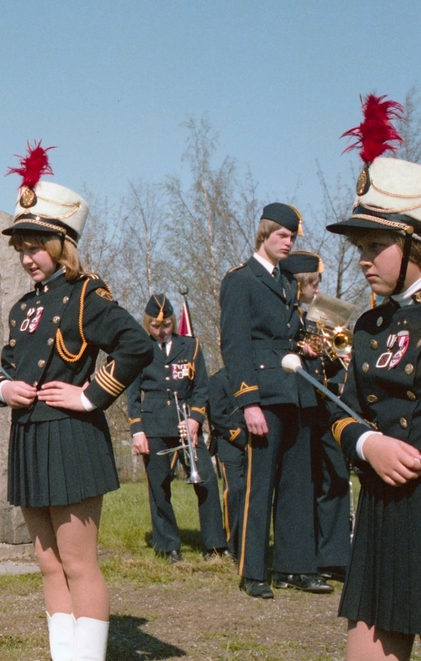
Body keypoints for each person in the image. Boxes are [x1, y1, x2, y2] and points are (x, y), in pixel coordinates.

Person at [0, 146, 152, 661]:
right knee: (46, 560)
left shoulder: (87, 294)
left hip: (71, 435)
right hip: (29, 435)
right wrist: (2, 388)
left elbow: (136, 345)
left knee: (79, 562)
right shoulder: (21, 307)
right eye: (21, 246)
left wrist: (90, 397)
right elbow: (10, 370)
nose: (27, 256)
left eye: (36, 244)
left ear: (64, 242)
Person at [319, 94, 421, 661]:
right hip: (388, 506)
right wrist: (368, 441)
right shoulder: (369, 327)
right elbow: (341, 408)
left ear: (413, 242)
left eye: (373, 245)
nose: (360, 260)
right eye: (357, 246)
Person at [220, 202, 331, 598]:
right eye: (283, 236)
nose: (289, 243)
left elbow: (290, 335)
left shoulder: (287, 282)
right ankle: (253, 572)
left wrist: (309, 346)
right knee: (259, 484)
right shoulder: (241, 280)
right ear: (264, 233)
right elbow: (235, 345)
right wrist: (248, 401)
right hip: (264, 395)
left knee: (297, 483)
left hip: (294, 390)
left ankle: (294, 566)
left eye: (293, 237)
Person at [126, 294, 227, 561]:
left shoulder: (191, 347)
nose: (162, 331)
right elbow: (133, 395)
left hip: (187, 425)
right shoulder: (139, 350)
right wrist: (137, 431)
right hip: (154, 425)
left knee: (205, 481)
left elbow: (202, 387)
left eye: (167, 325)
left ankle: (215, 545)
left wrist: (195, 419)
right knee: (159, 488)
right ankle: (168, 545)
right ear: (148, 324)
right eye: (156, 326)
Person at [281, 250, 353, 583]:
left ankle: (335, 556)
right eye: (315, 281)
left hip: (328, 405)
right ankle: (306, 557)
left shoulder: (321, 318)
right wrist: (300, 348)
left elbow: (333, 364)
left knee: (336, 475)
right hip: (303, 405)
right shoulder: (288, 318)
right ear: (302, 283)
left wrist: (342, 354)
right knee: (307, 481)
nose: (319, 286)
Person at [207, 367, 248, 559]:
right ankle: (233, 544)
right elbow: (217, 415)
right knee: (235, 491)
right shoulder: (218, 379)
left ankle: (249, 541)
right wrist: (240, 437)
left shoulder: (252, 376)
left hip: (255, 441)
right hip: (230, 442)